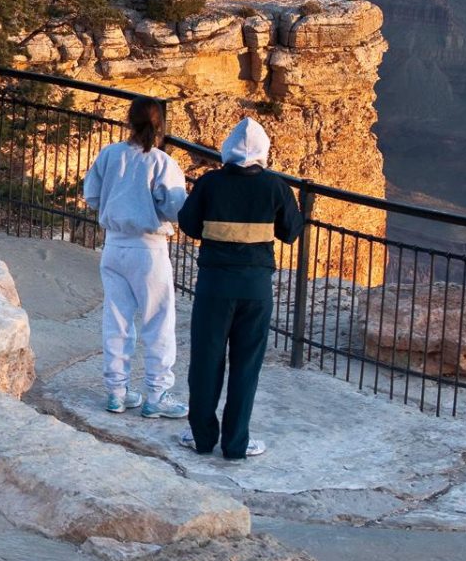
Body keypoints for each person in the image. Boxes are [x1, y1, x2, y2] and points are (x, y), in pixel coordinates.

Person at [176, 117, 305, 461]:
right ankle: (236, 444)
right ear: (263, 153)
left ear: (227, 150)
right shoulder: (276, 187)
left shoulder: (210, 183)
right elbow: (291, 232)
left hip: (214, 285)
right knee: (246, 365)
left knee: (206, 361)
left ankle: (202, 438)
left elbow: (188, 224)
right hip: (256, 288)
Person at [83, 98, 189, 418]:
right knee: (158, 322)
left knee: (116, 320)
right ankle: (156, 394)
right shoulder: (161, 162)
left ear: (128, 121)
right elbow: (174, 208)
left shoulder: (109, 155)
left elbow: (91, 196)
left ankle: (116, 391)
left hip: (114, 246)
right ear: (160, 126)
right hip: (148, 248)